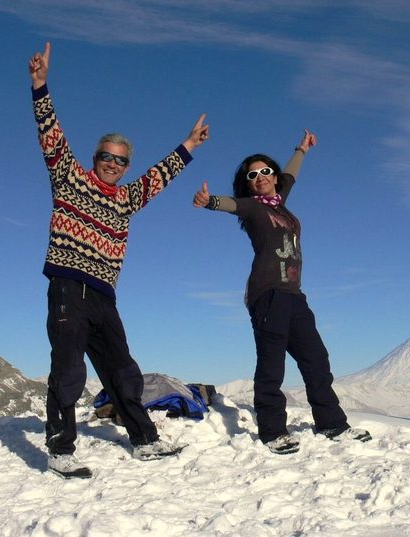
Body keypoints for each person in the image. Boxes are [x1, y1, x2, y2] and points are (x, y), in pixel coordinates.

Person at [29, 42, 210, 478]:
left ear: (126, 167)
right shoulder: (69, 178)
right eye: (106, 157)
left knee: (122, 370)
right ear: (95, 160)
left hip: (104, 296)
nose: (113, 164)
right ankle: (61, 449)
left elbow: (158, 178)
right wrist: (40, 86)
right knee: (68, 368)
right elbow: (51, 136)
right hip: (69, 287)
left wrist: (187, 145)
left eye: (121, 160)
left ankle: (145, 439)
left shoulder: (127, 199)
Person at [192, 131, 370, 454]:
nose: (260, 178)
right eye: (252, 175)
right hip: (267, 293)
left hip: (294, 294)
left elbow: (291, 175)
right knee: (272, 363)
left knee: (316, 358)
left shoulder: (281, 203)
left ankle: (331, 422)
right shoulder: (253, 208)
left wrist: (301, 149)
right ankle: (273, 431)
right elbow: (232, 205)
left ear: (273, 177)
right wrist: (210, 203)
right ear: (248, 183)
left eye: (265, 172)